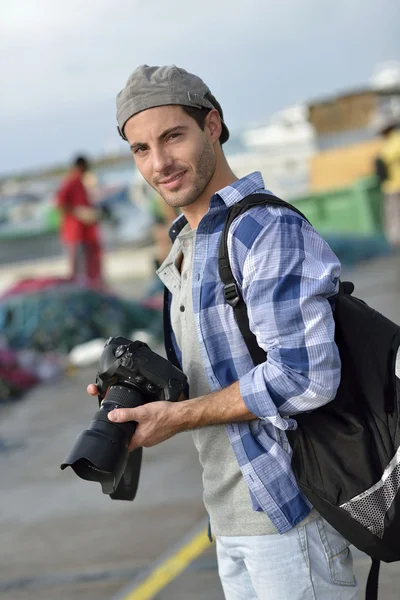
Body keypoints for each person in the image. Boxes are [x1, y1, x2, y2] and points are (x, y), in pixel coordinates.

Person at [88, 65, 358, 599]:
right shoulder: (185, 242)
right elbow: (221, 371)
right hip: (230, 517)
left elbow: (306, 376)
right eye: (141, 149)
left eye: (172, 137)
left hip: (288, 518)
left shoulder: (263, 231)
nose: (159, 163)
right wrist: (137, 397)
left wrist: (179, 416)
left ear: (212, 125)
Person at [56, 155, 103, 287]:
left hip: (84, 233)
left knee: (87, 269)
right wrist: (78, 212)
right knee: (75, 270)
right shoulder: (71, 182)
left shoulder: (80, 182)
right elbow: (60, 204)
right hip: (74, 233)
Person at [376, 120, 400, 249]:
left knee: (394, 214)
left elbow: (384, 159)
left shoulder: (392, 143)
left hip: (393, 186)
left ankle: (395, 241)